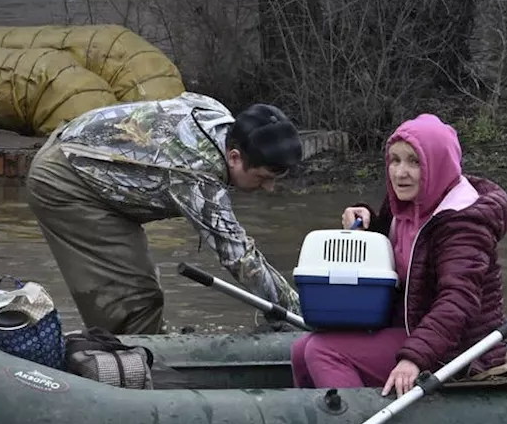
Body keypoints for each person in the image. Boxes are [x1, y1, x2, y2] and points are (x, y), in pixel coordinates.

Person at [24, 92, 305, 335]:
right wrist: (300, 312)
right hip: (68, 181)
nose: (269, 188)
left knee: (144, 287)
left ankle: (145, 344)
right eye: (265, 177)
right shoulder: (196, 174)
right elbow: (240, 257)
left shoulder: (218, 115)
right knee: (133, 299)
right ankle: (132, 370)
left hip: (87, 158)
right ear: (234, 157)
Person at [290, 113, 507, 397]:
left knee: (325, 351)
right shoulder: (404, 205)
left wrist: (414, 357)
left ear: (437, 165)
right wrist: (367, 220)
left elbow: (459, 299)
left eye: (414, 161)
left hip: (458, 348)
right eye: (395, 160)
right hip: (408, 326)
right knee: (300, 350)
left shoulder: (463, 224)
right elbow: (397, 255)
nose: (400, 172)